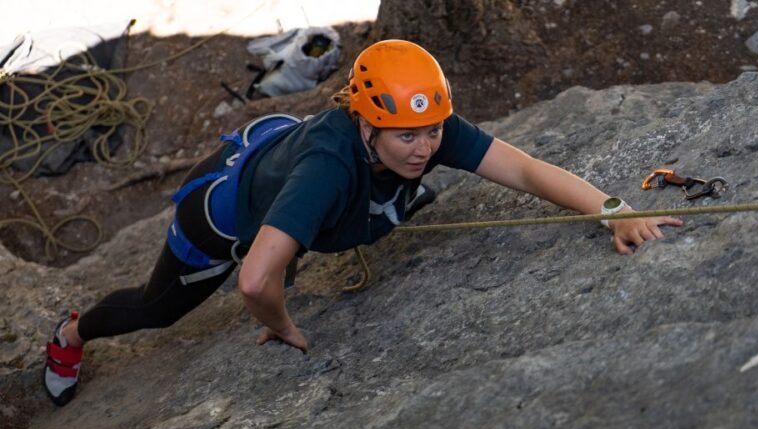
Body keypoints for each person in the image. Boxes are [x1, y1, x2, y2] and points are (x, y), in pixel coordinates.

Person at [43, 39, 683, 406]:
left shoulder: (422, 129)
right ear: (366, 121)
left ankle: (373, 209)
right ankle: (72, 333)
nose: (424, 146)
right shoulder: (327, 168)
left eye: (431, 130)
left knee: (388, 196)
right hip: (222, 219)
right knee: (157, 309)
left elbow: (521, 170)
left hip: (288, 171)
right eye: (405, 135)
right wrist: (282, 324)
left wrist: (612, 210)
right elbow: (256, 278)